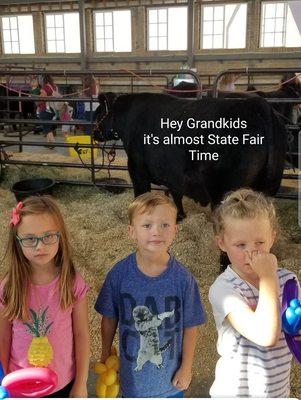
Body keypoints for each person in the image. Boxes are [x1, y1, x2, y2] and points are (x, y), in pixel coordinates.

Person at [95, 192, 206, 398]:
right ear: (132, 231)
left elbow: (191, 325)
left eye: (164, 225)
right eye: (147, 226)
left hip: (171, 382)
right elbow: (109, 318)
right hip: (131, 382)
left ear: (175, 230)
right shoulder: (119, 275)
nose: (156, 232)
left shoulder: (184, 279)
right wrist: (105, 355)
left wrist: (187, 368)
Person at [209, 188, 300, 398]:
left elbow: (294, 326)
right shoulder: (224, 289)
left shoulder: (289, 281)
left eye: (260, 242)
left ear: (272, 238)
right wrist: (268, 277)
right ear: (222, 243)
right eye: (240, 245)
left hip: (277, 390)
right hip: (237, 394)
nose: (252, 251)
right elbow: (265, 335)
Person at [0, 196, 90, 397]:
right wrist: (2, 382)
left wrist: (81, 383)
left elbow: (82, 334)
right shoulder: (9, 287)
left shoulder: (72, 282)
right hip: (19, 385)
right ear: (17, 242)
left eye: (48, 236)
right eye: (30, 238)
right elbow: (3, 338)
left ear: (60, 237)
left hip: (64, 384)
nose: (39, 246)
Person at [38, 74, 59, 145]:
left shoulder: (45, 88)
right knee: (47, 126)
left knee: (46, 128)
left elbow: (42, 99)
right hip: (53, 110)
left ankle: (53, 142)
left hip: (45, 109)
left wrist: (38, 100)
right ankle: (48, 143)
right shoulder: (55, 87)